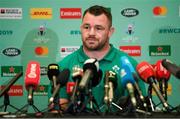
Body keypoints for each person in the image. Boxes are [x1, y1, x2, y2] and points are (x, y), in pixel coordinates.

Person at [48, 5, 147, 113]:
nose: (91, 33)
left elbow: (140, 109)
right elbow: (56, 111)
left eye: (98, 28)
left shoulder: (129, 65)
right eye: (86, 27)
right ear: (81, 29)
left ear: (110, 32)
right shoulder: (64, 66)